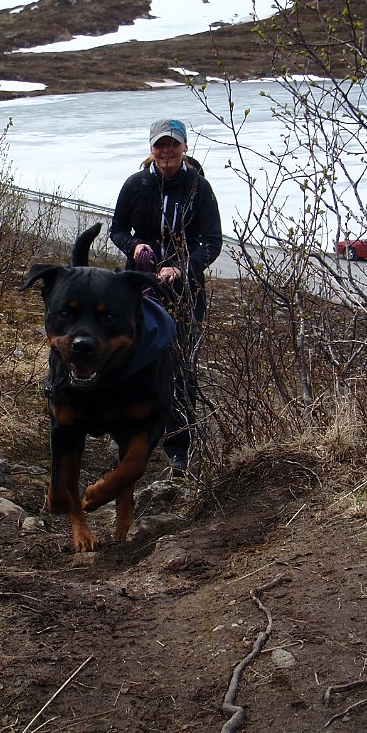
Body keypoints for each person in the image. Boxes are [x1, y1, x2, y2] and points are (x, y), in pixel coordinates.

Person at [109, 117, 223, 474]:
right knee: (129, 363)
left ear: (184, 147)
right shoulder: (136, 184)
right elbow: (116, 230)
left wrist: (183, 267)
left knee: (179, 369)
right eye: (160, 145)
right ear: (152, 149)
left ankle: (178, 450)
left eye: (173, 144)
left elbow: (212, 242)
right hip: (139, 288)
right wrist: (136, 244)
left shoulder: (199, 189)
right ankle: (130, 445)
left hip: (185, 294)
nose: (166, 152)